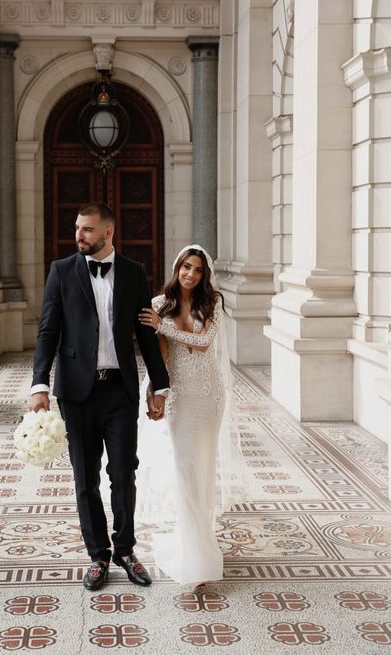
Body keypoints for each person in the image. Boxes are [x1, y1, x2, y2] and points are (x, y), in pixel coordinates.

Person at [29, 202, 169, 591]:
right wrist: (39, 384)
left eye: (87, 229)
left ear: (108, 232)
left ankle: (125, 549)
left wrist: (160, 386)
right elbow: (47, 332)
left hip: (119, 389)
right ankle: (98, 555)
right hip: (76, 392)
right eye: (78, 228)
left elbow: (144, 334)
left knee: (123, 473)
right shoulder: (61, 271)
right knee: (84, 478)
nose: (79, 235)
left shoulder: (134, 273)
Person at [138, 245, 241, 588]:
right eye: (186, 267)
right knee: (184, 471)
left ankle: (201, 544)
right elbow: (160, 356)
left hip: (209, 395)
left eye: (197, 270)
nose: (190, 275)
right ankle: (192, 553)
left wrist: (164, 328)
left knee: (203, 470)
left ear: (203, 275)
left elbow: (203, 343)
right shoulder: (157, 306)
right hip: (181, 396)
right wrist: (155, 393)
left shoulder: (212, 304)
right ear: (176, 267)